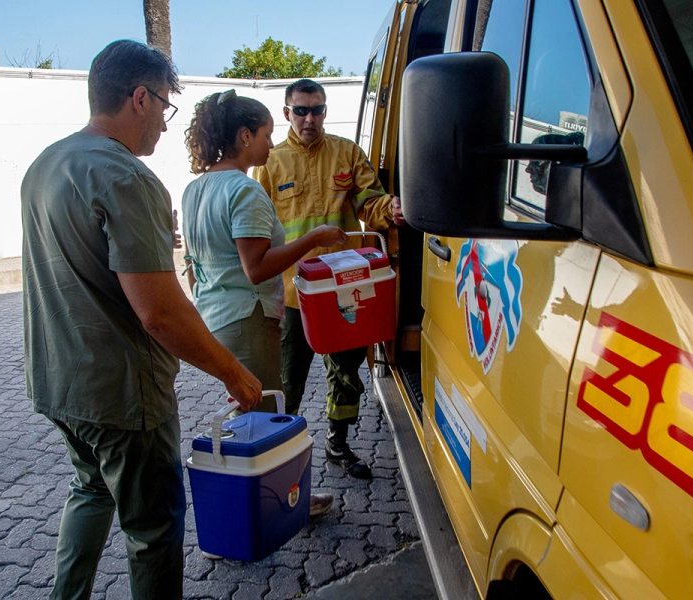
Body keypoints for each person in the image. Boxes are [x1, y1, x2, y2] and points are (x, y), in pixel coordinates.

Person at [21, 40, 262, 600]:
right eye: (164, 106)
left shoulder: (46, 164)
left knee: (91, 490)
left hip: (59, 382)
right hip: (124, 396)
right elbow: (159, 313)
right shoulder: (125, 177)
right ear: (139, 98)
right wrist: (233, 373)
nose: (163, 122)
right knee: (153, 529)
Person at [180, 89, 347, 516]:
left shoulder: (196, 189)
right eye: (266, 134)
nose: (271, 145)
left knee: (248, 413)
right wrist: (314, 237)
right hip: (248, 317)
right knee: (265, 414)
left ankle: (260, 501)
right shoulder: (245, 191)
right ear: (243, 136)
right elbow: (256, 268)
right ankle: (281, 503)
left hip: (216, 315)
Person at [253, 79, 405, 480]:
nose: (309, 118)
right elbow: (255, 232)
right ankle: (280, 457)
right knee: (289, 382)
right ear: (287, 113)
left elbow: (369, 203)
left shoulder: (347, 153)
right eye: (300, 110)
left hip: (344, 291)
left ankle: (337, 444)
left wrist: (392, 209)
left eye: (316, 110)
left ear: (325, 111)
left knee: (346, 375)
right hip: (293, 294)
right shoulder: (269, 162)